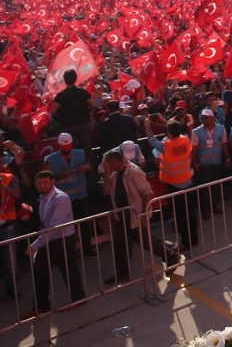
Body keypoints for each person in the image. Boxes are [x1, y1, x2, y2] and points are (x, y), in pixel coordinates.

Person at [101, 149, 178, 285]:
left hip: (135, 216)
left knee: (146, 242)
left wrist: (144, 215)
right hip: (121, 216)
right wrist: (107, 175)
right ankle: (122, 273)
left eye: (107, 164)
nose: (106, 167)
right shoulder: (114, 174)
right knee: (120, 244)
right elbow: (106, 192)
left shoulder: (134, 173)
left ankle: (171, 257)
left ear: (115, 162)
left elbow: (147, 193)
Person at [22, 171, 86, 318]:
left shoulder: (60, 199)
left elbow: (53, 227)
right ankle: (41, 305)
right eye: (39, 183)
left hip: (61, 240)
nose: (42, 186)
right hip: (49, 239)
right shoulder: (43, 198)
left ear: (52, 182)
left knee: (69, 270)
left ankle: (78, 298)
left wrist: (34, 246)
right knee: (40, 271)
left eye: (45, 182)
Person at [43, 133, 96, 258]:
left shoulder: (81, 154)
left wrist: (86, 168)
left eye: (68, 147)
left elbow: (91, 169)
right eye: (64, 147)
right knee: (67, 227)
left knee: (84, 224)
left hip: (81, 195)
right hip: (64, 199)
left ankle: (86, 250)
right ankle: (69, 253)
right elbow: (44, 178)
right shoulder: (50, 159)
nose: (66, 150)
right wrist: (57, 176)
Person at [149, 121, 198, 252]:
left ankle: (186, 243)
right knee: (191, 214)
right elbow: (176, 130)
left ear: (168, 133)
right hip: (188, 182)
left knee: (180, 216)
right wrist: (166, 121)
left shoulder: (165, 146)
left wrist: (148, 124)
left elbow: (150, 139)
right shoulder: (185, 140)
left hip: (174, 186)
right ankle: (194, 239)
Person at [51, 69, 96, 171]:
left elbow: (53, 111)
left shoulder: (60, 95)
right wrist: (90, 115)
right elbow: (93, 105)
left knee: (73, 149)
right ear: (75, 79)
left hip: (67, 126)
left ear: (65, 80)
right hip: (83, 124)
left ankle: (76, 170)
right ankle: (91, 170)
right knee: (87, 147)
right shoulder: (83, 92)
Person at [190, 109, 229, 219]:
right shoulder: (196, 132)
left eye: (206, 118)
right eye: (202, 118)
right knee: (205, 188)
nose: (204, 120)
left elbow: (224, 145)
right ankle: (205, 210)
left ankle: (213, 206)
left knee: (215, 186)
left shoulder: (221, 129)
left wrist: (227, 159)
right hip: (204, 164)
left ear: (212, 118)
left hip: (217, 162)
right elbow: (193, 149)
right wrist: (195, 163)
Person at [1, 148, 21, 300]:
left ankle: (12, 289)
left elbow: (16, 193)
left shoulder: (9, 178)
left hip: (7, 227)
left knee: (11, 263)